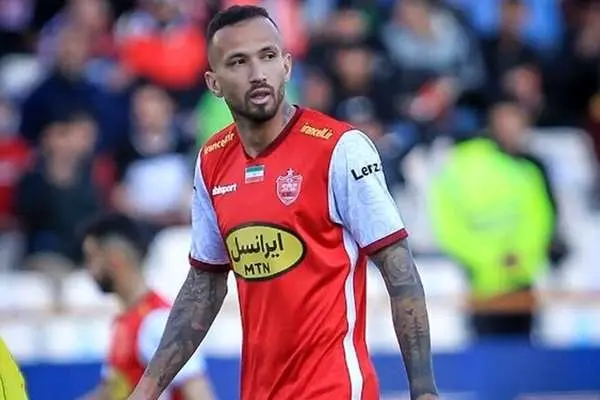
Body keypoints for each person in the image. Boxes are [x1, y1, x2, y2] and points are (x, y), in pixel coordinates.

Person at [129, 5, 438, 400]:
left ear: (287, 66)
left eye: (268, 56)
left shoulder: (340, 149)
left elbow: (400, 272)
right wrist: (146, 390)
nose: (257, 73)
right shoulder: (211, 162)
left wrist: (424, 390)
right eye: (238, 62)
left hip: (335, 390)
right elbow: (204, 285)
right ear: (213, 83)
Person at [80, 213, 215, 400]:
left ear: (115, 258)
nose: (88, 269)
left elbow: (198, 393)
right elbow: (113, 392)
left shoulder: (158, 321)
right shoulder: (125, 322)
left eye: (91, 258)